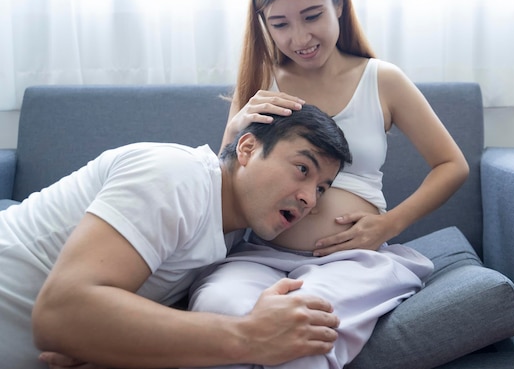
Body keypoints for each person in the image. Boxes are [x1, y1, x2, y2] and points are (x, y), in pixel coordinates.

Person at [186, 0, 470, 368]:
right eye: (280, 24)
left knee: (304, 326)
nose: (299, 38)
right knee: (217, 306)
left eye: (312, 15)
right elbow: (228, 178)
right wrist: (235, 129)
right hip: (259, 255)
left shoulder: (382, 79)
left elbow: (451, 164)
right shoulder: (262, 83)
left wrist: (389, 225)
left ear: (339, 3)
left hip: (351, 260)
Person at [0, 104, 352, 369]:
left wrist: (106, 345)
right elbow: (61, 313)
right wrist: (250, 336)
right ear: (246, 149)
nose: (310, 198)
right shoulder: (176, 176)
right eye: (302, 169)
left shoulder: (231, 237)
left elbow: (98, 322)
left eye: (321, 188)